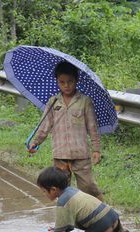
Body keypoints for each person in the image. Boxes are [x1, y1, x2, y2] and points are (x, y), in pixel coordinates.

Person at [37, 166, 140, 232]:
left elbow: (62, 231)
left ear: (53, 189)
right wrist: (57, 230)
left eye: (44, 192)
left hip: (100, 228)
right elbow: (67, 223)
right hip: (113, 218)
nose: (44, 194)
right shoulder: (73, 191)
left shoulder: (62, 203)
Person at [28, 61, 103, 201]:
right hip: (60, 153)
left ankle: (100, 211)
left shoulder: (85, 101)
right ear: (57, 81)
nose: (66, 85)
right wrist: (35, 142)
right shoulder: (53, 102)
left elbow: (93, 127)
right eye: (62, 82)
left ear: (77, 80)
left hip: (80, 153)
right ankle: (67, 215)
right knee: (62, 189)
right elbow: (45, 125)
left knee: (88, 186)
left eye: (70, 81)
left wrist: (96, 150)